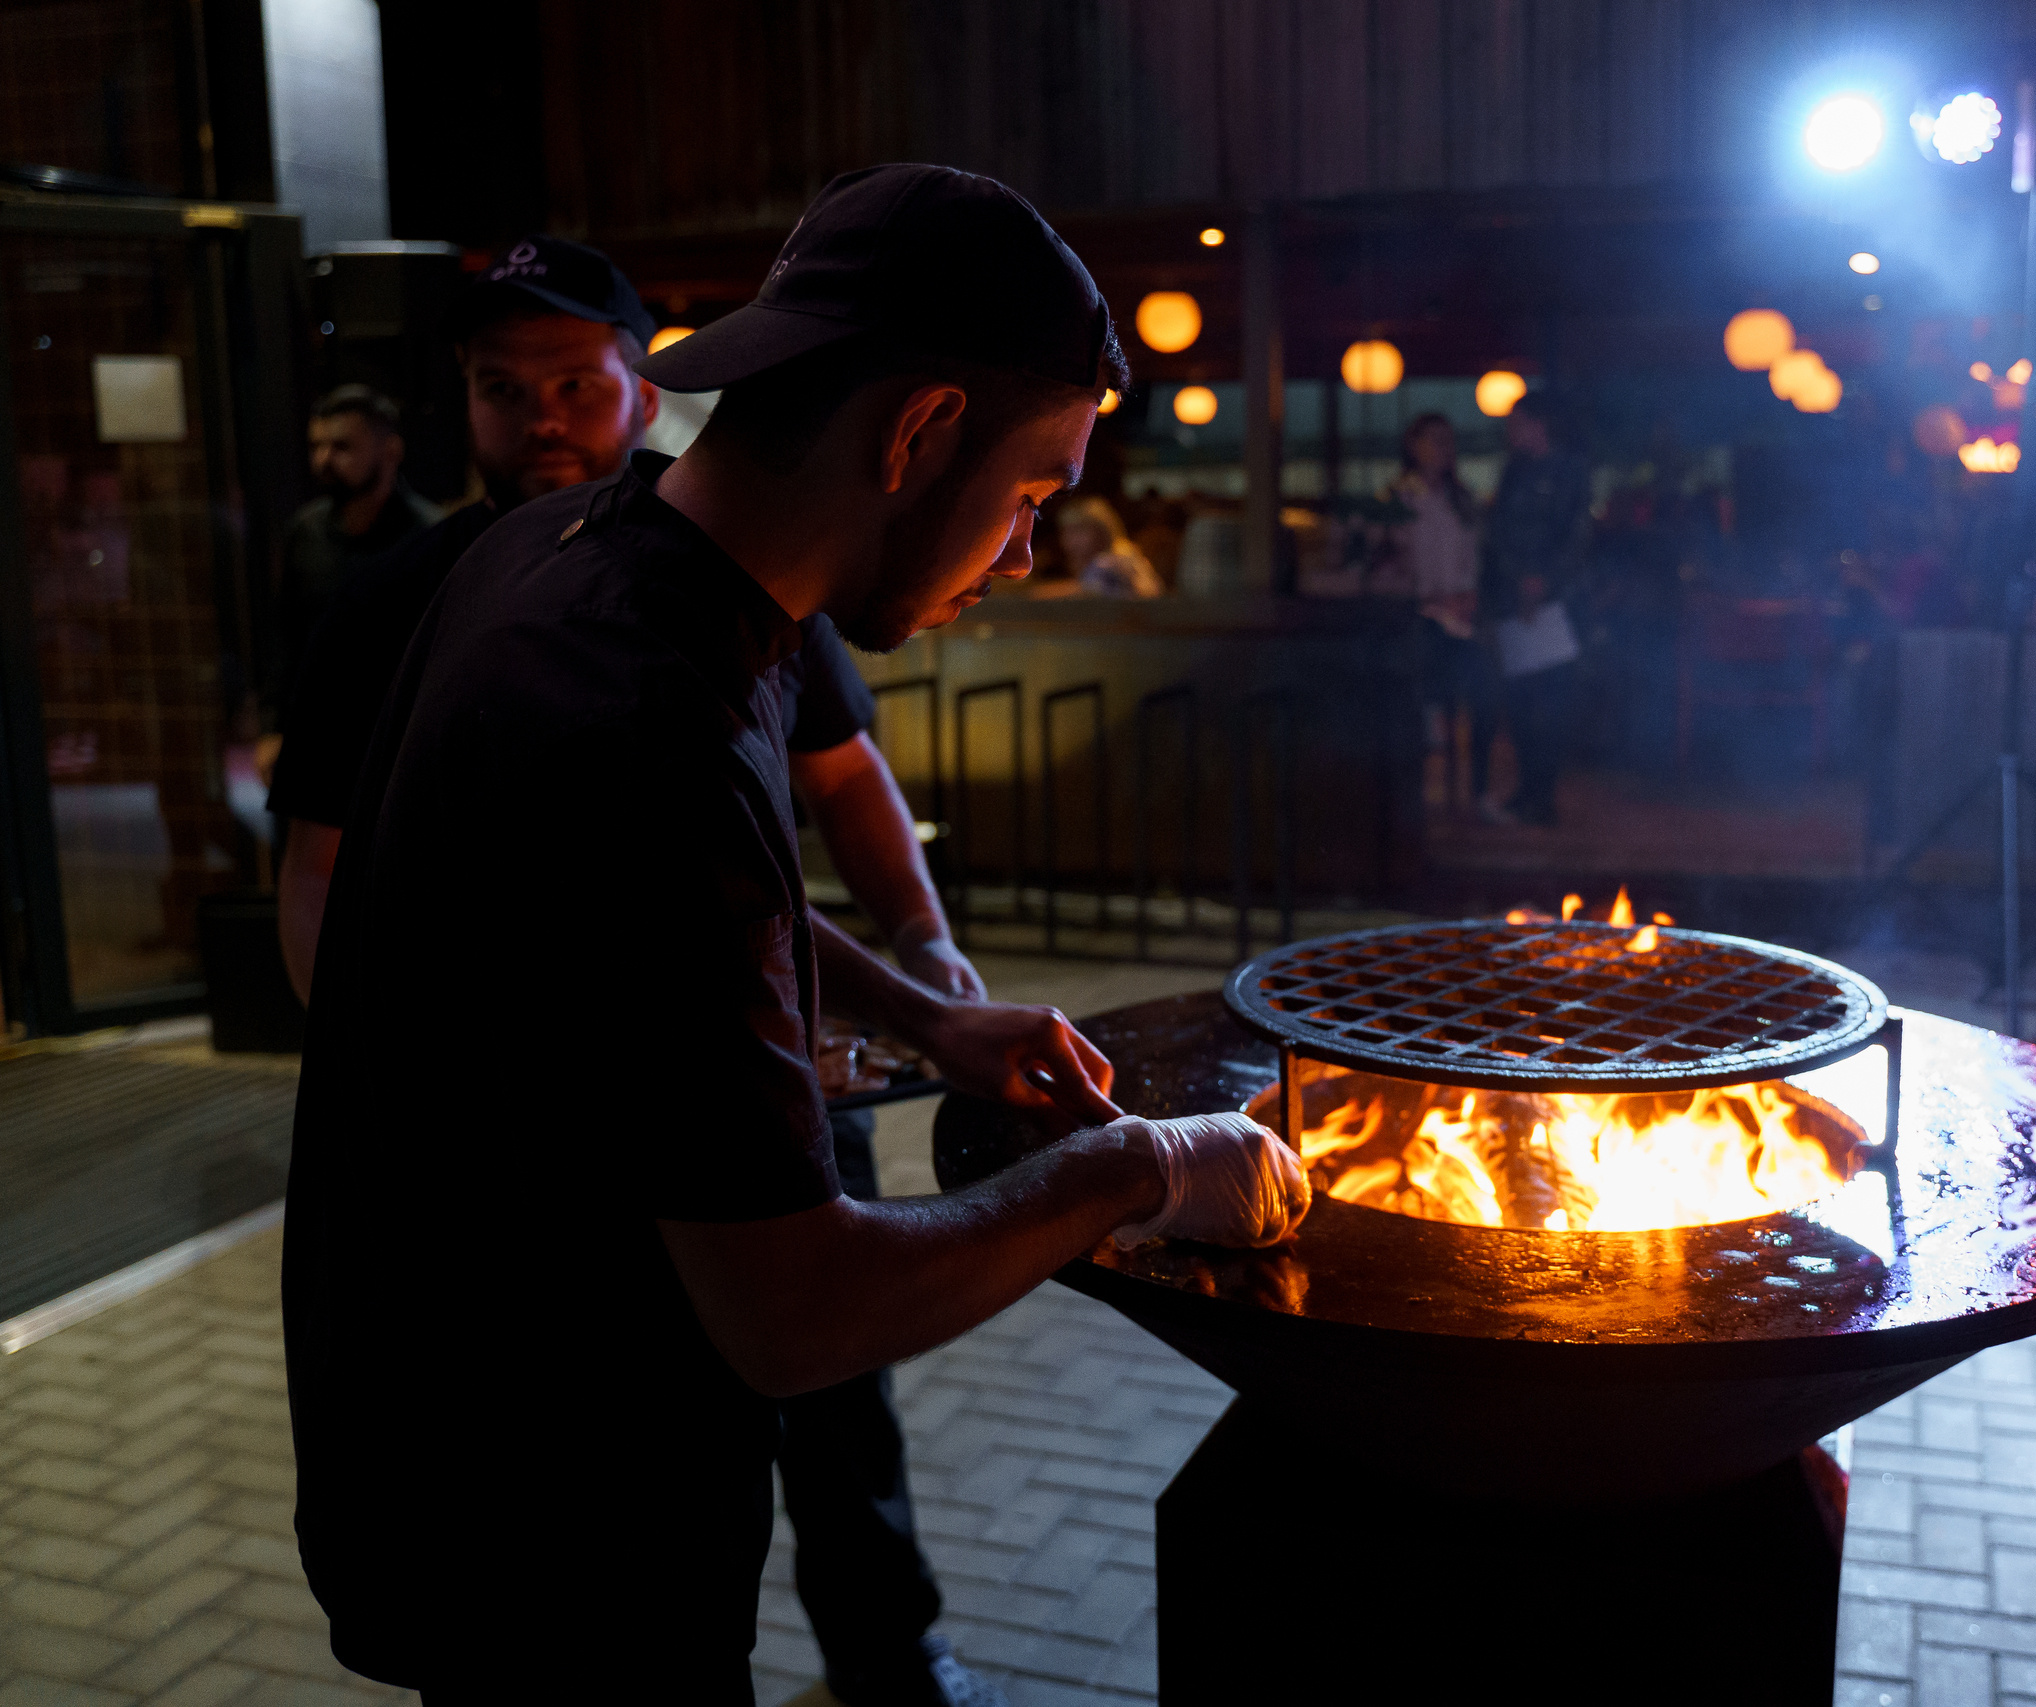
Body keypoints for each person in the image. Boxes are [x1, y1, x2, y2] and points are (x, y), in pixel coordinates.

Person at [283, 164, 1309, 1700]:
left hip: (451, 1423)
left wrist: (930, 1015)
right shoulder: (641, 709)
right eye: (1030, 495)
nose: (1025, 553)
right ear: (918, 431)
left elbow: (686, 911)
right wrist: (1141, 1168)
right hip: (548, 1498)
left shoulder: (586, 557)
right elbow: (795, 1310)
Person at [267, 236, 998, 1702]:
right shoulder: (536, 616)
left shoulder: (705, 580)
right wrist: (1140, 1169)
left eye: (571, 382)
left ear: (636, 380)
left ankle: (888, 1639)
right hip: (541, 1290)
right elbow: (336, 892)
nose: (541, 416)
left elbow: (817, 818)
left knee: (829, 1420)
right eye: (499, 388)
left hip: (712, 1119)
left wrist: (926, 986)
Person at [268, 386, 440, 740]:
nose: (323, 460)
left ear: (390, 451)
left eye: (342, 447)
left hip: (401, 731)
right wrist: (273, 728)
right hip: (321, 728)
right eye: (316, 446)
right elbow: (288, 638)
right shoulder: (305, 532)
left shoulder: (431, 537)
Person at [1481, 391, 1590, 826]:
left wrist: (1544, 581)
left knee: (1553, 700)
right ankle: (1529, 791)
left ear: (1537, 424)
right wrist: (1515, 581)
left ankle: (1543, 794)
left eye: (1517, 422)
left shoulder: (1570, 472)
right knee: (1521, 701)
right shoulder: (1514, 472)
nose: (1511, 431)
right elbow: (1499, 533)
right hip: (1512, 601)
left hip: (1556, 605)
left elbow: (1577, 536)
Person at [1382, 413, 1495, 807]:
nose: (1442, 448)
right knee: (1421, 679)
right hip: (1419, 617)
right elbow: (1393, 565)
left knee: (1486, 691)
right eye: (1432, 439)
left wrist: (1468, 596)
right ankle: (1414, 794)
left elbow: (1476, 558)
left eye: (1447, 440)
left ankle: (1478, 792)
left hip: (1461, 616)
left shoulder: (1463, 499)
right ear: (1413, 446)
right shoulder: (1399, 498)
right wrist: (1428, 599)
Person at [1051, 495, 1162, 596]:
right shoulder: (1125, 553)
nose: (1070, 540)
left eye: (1079, 530)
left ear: (1102, 530)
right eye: (1066, 531)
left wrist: (1038, 594)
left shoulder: (1108, 563)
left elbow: (1086, 592)